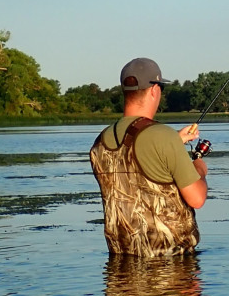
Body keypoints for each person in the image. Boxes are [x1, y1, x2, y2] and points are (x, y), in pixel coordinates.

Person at [89, 57, 208, 256]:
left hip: (121, 259)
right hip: (170, 265)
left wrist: (175, 141)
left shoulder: (100, 142)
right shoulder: (163, 136)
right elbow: (197, 198)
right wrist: (200, 169)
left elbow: (131, 166)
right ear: (154, 90)